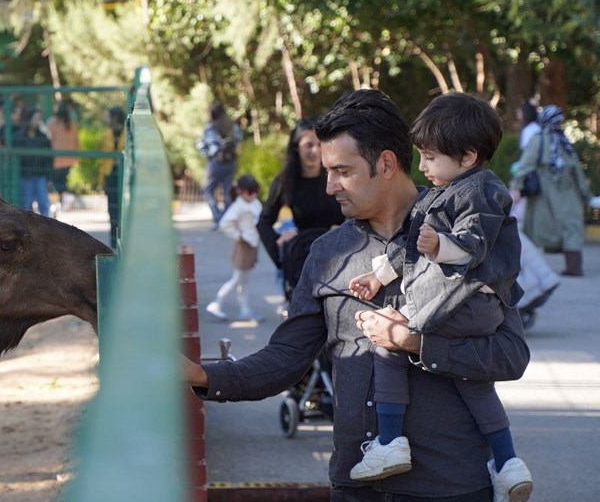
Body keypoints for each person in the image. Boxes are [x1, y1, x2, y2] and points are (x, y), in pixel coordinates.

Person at [182, 89, 531, 502]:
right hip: (354, 483)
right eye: (326, 171)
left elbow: (510, 354)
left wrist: (415, 343)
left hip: (449, 485)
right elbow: (287, 358)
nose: (329, 186)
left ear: (385, 163)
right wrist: (202, 375)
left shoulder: (469, 233)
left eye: (342, 171)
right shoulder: (326, 253)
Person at [342, 93, 529, 500]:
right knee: (474, 382)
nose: (422, 166)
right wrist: (379, 276)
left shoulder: (481, 190)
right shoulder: (447, 192)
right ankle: (507, 462)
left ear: (466, 156)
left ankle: (390, 441)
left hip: (467, 302)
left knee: (388, 343)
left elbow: (471, 245)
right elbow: (408, 249)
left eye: (429, 157)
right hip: (475, 309)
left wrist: (440, 245)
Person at [256, 119, 344, 304]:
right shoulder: (284, 182)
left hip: (336, 257)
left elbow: (352, 214)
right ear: (297, 147)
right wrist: (279, 254)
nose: (315, 151)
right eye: (308, 145)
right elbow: (264, 222)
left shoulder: (336, 176)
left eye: (319, 144)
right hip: (301, 260)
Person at [511, 104, 592, 277]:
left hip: (544, 196)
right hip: (567, 193)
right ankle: (574, 267)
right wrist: (587, 195)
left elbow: (525, 166)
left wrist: (516, 187)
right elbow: (577, 170)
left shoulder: (538, 139)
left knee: (533, 229)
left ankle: (524, 268)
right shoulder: (565, 142)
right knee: (571, 228)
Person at [206, 174, 264, 321]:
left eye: (255, 192)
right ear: (241, 191)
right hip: (243, 245)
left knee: (244, 280)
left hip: (252, 244)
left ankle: (244, 309)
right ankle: (217, 303)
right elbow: (225, 224)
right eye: (249, 192)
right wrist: (239, 236)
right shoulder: (238, 206)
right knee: (237, 278)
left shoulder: (255, 203)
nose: (252, 195)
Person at [197, 101, 242, 227]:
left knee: (208, 190)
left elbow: (203, 144)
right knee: (227, 191)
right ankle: (227, 218)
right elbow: (239, 140)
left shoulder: (211, 127)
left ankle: (218, 217)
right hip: (231, 161)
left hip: (217, 162)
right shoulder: (232, 126)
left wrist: (206, 153)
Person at [14, 108, 53, 216]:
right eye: (35, 118)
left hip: (40, 175)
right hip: (25, 175)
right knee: (25, 205)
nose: (37, 121)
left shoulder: (43, 137)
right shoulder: (19, 137)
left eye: (39, 119)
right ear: (29, 119)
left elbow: (48, 158)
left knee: (44, 204)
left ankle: (46, 230)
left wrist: (49, 177)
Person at [47, 101, 81, 214]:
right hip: (69, 159)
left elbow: (48, 139)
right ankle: (62, 202)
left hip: (56, 159)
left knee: (55, 183)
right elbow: (76, 140)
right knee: (63, 182)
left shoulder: (52, 122)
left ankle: (59, 203)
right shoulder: (71, 123)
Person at [100, 106, 126, 246]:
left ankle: (125, 240)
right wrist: (102, 179)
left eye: (108, 116)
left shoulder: (127, 132)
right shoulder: (107, 133)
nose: (106, 119)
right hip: (111, 174)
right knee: (113, 209)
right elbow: (103, 159)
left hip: (123, 175)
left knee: (124, 209)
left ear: (115, 117)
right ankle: (114, 243)